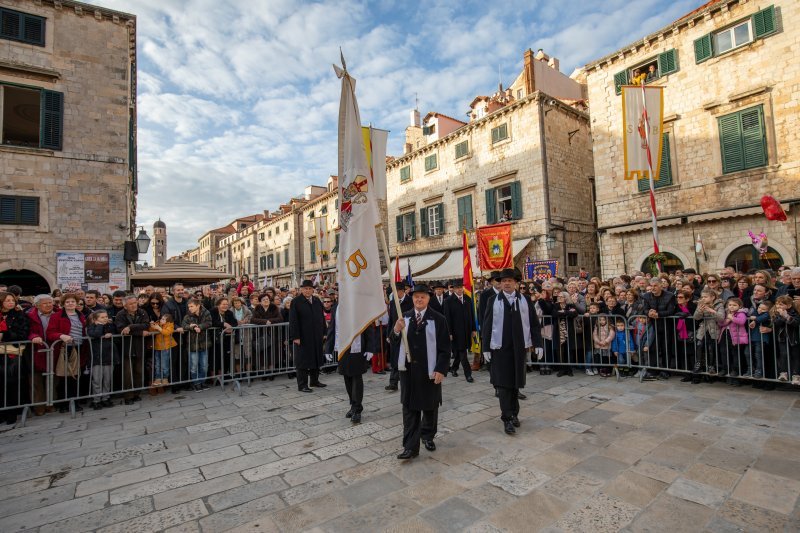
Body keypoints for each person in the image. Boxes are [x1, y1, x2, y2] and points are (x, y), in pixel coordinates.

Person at [391, 283, 450, 459]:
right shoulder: (404, 318)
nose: (419, 299)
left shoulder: (438, 319)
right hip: (408, 372)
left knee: (430, 407)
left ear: (428, 298)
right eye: (416, 296)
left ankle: (428, 435)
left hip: (429, 371)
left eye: (422, 296)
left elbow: (445, 348)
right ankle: (410, 447)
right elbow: (393, 342)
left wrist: (441, 369)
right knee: (409, 410)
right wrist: (395, 330)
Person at [481, 269, 543, 435]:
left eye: (510, 280)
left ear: (516, 283)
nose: (506, 283)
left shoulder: (525, 300)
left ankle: (514, 413)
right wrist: (485, 346)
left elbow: (534, 323)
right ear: (500, 283)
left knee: (516, 383)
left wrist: (538, 343)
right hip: (500, 348)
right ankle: (506, 418)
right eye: (503, 281)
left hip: (519, 347)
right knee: (503, 385)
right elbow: (487, 324)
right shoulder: (493, 300)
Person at [325, 310, 376, 424]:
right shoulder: (337, 307)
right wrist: (328, 348)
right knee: (347, 377)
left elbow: (368, 327)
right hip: (343, 347)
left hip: (357, 347)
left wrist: (370, 348)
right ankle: (353, 405)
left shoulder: (358, 305)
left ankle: (357, 409)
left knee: (356, 377)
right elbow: (332, 329)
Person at [47, 293, 86, 413]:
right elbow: (50, 332)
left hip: (79, 347)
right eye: (68, 302)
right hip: (65, 349)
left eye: (73, 302)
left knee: (76, 376)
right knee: (64, 377)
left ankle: (75, 401)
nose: (70, 304)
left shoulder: (81, 315)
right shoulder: (56, 316)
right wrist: (61, 336)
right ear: (63, 304)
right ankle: (63, 403)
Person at [289, 280, 326, 392]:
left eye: (310, 288)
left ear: (313, 290)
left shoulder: (316, 300)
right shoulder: (296, 302)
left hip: (316, 335)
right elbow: (293, 321)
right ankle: (302, 385)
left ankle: (314, 381)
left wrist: (324, 332)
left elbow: (322, 317)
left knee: (316, 358)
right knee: (302, 361)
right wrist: (296, 337)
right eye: (305, 288)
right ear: (301, 289)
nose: (308, 290)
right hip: (303, 337)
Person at [115, 295, 151, 404]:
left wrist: (130, 327)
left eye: (135, 303)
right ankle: (128, 396)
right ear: (125, 306)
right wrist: (139, 332)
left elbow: (146, 325)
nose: (134, 305)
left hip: (140, 347)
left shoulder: (142, 312)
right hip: (127, 348)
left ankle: (137, 393)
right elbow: (121, 329)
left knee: (139, 371)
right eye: (131, 304)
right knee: (127, 373)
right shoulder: (120, 315)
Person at [0, 292, 30, 424]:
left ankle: (11, 413)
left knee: (11, 383)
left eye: (12, 300)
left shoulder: (19, 315)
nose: (11, 302)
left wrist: (4, 334)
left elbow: (23, 334)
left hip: (12, 354)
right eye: (7, 300)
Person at [443, 280, 475, 382]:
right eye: (457, 288)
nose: (460, 289)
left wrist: (473, 329)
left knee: (458, 353)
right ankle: (468, 374)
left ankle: (454, 368)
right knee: (463, 353)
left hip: (467, 331)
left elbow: (472, 315)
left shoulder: (468, 299)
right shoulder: (448, 301)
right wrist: (449, 333)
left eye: (461, 287)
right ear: (454, 289)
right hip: (456, 332)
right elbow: (447, 318)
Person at [386, 281, 414, 392]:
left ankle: (408, 380)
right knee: (394, 357)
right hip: (395, 333)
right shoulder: (393, 303)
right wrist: (389, 334)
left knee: (406, 357)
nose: (395, 293)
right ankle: (393, 382)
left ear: (402, 291)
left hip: (407, 334)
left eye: (396, 291)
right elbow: (391, 320)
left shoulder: (410, 301)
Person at [86, 310, 116, 409]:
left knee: (107, 380)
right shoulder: (91, 327)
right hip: (97, 358)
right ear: (95, 320)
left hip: (108, 356)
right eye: (102, 317)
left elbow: (114, 332)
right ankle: (96, 400)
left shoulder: (110, 326)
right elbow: (95, 334)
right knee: (97, 380)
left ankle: (105, 398)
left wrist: (110, 333)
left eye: (106, 316)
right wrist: (99, 325)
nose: (105, 319)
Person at [182, 298, 212, 391]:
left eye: (191, 306)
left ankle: (202, 382)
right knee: (194, 365)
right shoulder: (187, 316)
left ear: (198, 306)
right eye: (189, 306)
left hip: (204, 343)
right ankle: (196, 383)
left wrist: (200, 326)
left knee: (204, 365)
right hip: (192, 344)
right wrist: (191, 327)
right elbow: (183, 325)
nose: (190, 308)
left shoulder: (206, 313)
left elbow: (209, 323)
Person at [772, 295, 799, 384]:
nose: (778, 306)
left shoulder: (794, 312)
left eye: (781, 304)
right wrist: (782, 316)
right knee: (783, 355)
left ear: (789, 305)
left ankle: (796, 375)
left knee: (795, 356)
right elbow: (777, 323)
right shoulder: (777, 314)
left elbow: (795, 323)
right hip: (782, 338)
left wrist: (787, 316)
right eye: (777, 304)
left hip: (793, 338)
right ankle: (783, 373)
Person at [149, 312, 176, 387]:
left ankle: (165, 378)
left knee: (164, 364)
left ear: (168, 321)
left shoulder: (170, 325)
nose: (161, 320)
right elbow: (151, 330)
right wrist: (152, 326)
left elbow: (167, 332)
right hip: (157, 347)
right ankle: (157, 378)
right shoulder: (158, 324)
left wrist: (159, 328)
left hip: (165, 347)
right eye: (161, 318)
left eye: (163, 319)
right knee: (157, 364)